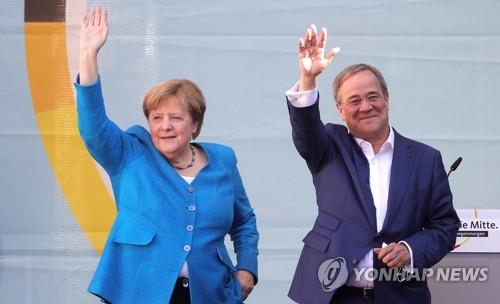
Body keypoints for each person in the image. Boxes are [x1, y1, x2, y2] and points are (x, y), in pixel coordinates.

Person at [75, 6, 258, 304]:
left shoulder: (223, 160)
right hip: (139, 292)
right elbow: (93, 128)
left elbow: (244, 221)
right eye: (157, 118)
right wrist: (88, 55)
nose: (165, 127)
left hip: (209, 293)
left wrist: (247, 268)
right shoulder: (131, 152)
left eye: (175, 118)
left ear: (195, 124)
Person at [285, 24, 460, 304]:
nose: (365, 106)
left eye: (373, 97)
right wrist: (308, 79)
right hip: (333, 294)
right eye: (354, 100)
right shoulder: (328, 145)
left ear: (387, 100)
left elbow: (445, 226)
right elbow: (305, 127)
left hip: (400, 296)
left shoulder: (426, 159)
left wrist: (410, 249)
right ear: (341, 111)